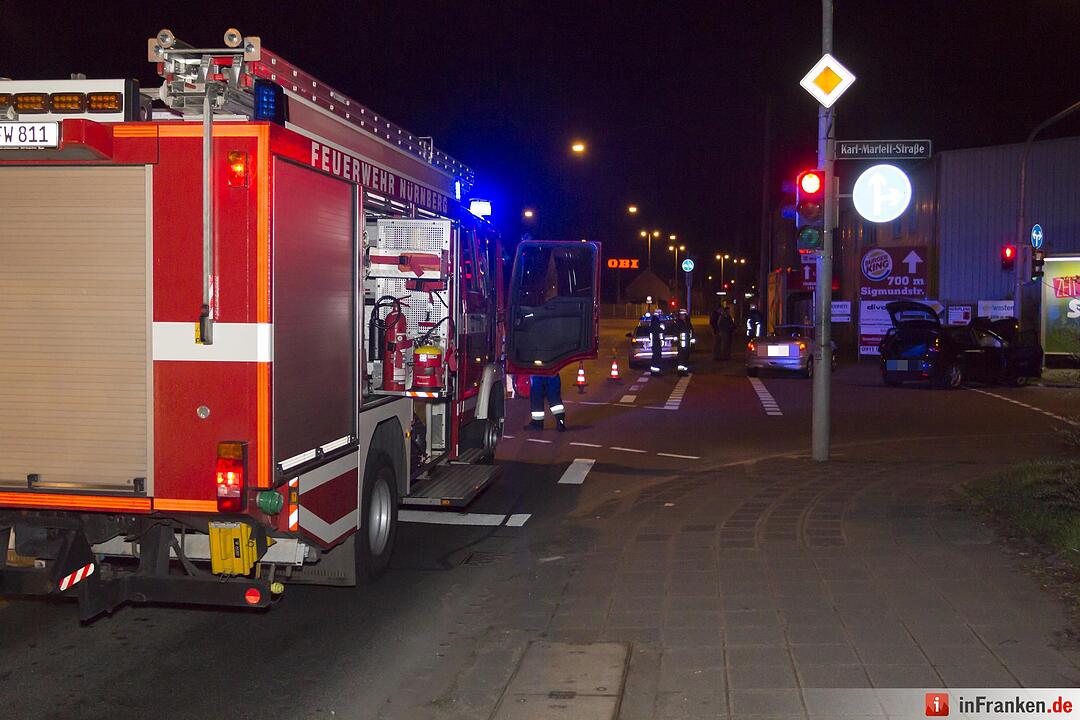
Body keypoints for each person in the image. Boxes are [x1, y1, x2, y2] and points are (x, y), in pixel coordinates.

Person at [674, 309, 692, 376]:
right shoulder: (678, 323)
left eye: (684, 314)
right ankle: (680, 372)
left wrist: (692, 338)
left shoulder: (687, 322)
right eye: (681, 315)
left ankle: (684, 370)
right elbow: (676, 331)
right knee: (681, 357)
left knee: (686, 357)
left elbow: (690, 330)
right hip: (681, 344)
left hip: (687, 343)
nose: (682, 316)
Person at [648, 308, 666, 376]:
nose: (661, 316)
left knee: (656, 357)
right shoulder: (655, 322)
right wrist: (662, 329)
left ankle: (655, 371)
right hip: (656, 343)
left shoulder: (654, 321)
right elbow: (658, 330)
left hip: (656, 343)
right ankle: (655, 372)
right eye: (660, 315)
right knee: (656, 357)